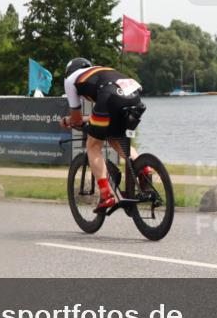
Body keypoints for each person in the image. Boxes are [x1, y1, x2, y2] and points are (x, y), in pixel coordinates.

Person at [59, 58, 153, 210]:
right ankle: (144, 170)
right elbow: (103, 116)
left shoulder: (70, 80)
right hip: (133, 96)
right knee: (117, 138)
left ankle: (106, 195)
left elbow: (76, 119)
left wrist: (69, 120)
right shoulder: (100, 71)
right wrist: (84, 119)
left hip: (110, 96)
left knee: (93, 145)